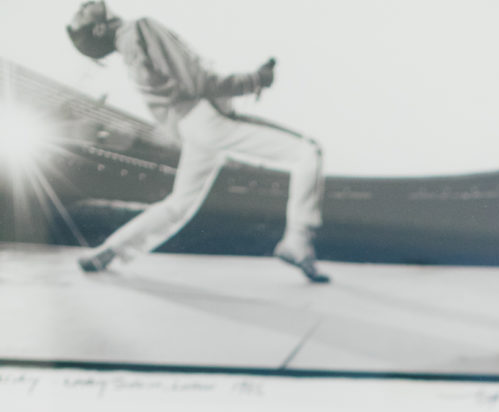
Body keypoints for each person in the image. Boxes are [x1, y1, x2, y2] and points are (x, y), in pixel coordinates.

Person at [65, 2, 329, 281]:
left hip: (192, 128)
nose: (86, 4)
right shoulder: (139, 27)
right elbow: (199, 82)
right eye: (82, 12)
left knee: (178, 204)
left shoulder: (129, 49)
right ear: (99, 28)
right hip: (207, 120)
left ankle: (109, 251)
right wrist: (256, 79)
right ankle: (298, 241)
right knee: (308, 152)